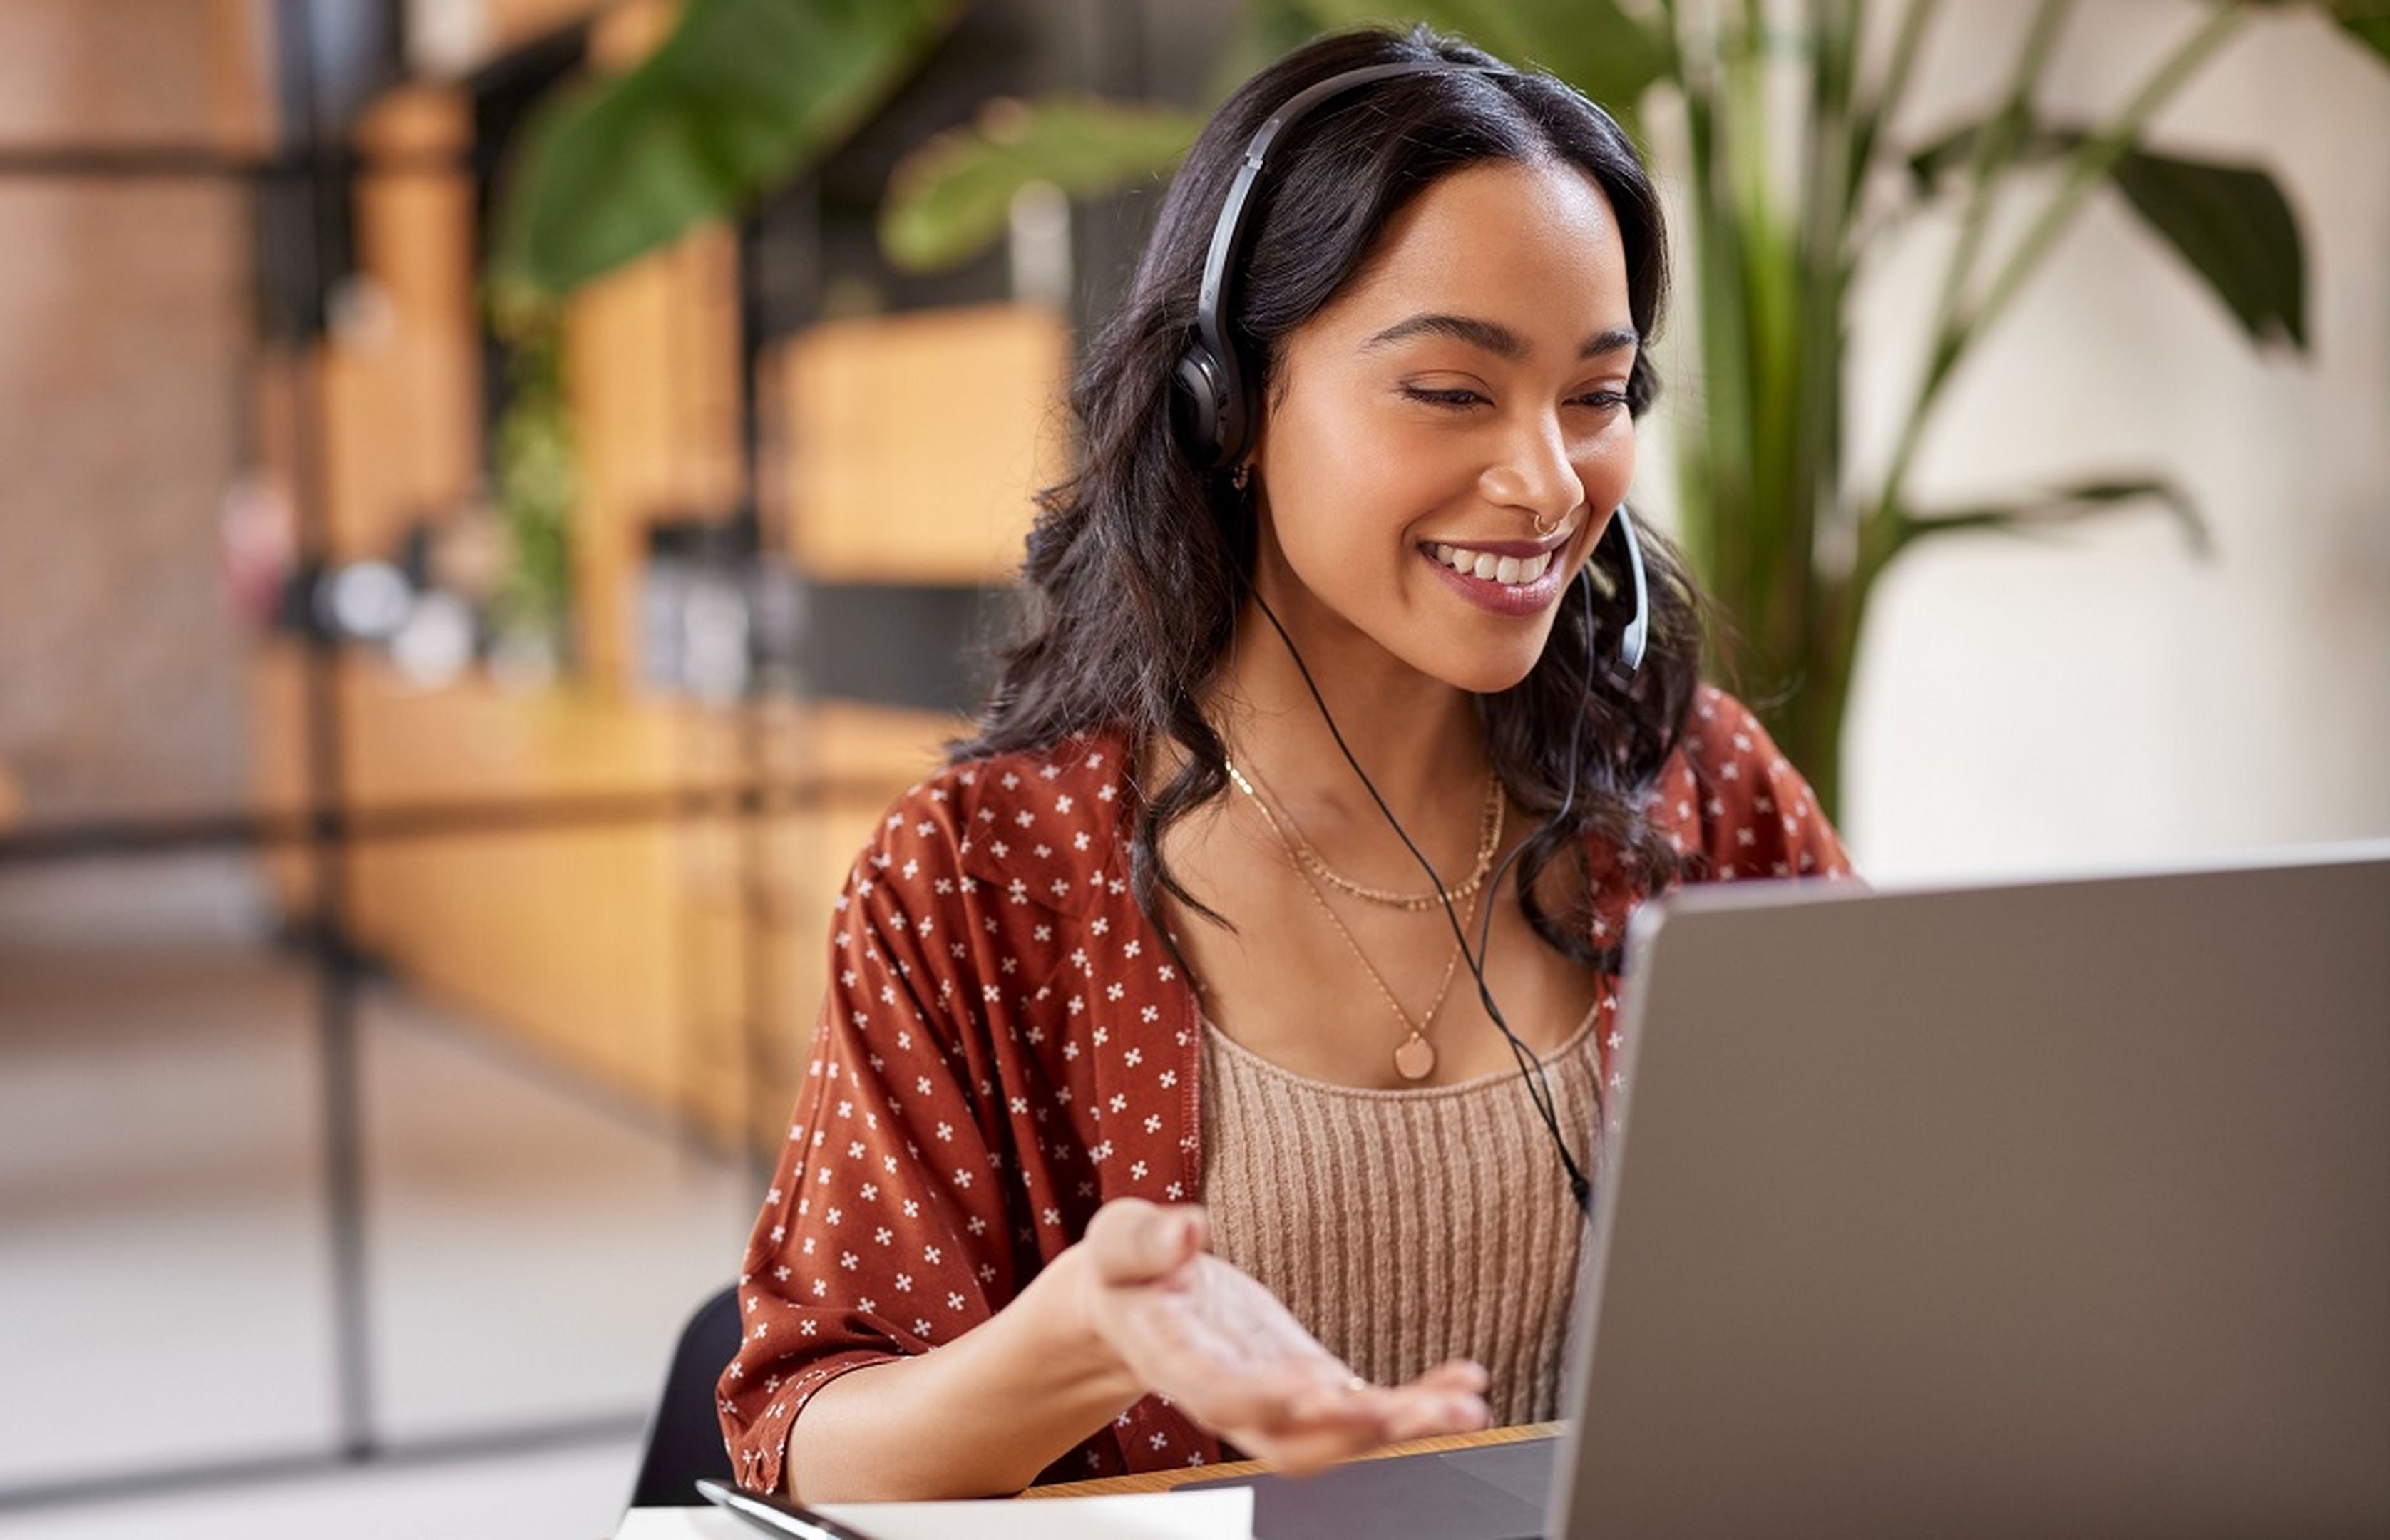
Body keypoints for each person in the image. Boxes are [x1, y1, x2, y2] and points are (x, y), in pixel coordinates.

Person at [717, 23, 1853, 1501]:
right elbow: (802, 1439)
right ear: (1228, 403)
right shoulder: (974, 878)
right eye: (1451, 391)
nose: (1546, 481)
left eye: (1597, 395)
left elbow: (1889, 1248)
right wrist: (1080, 1342)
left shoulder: (1697, 794)